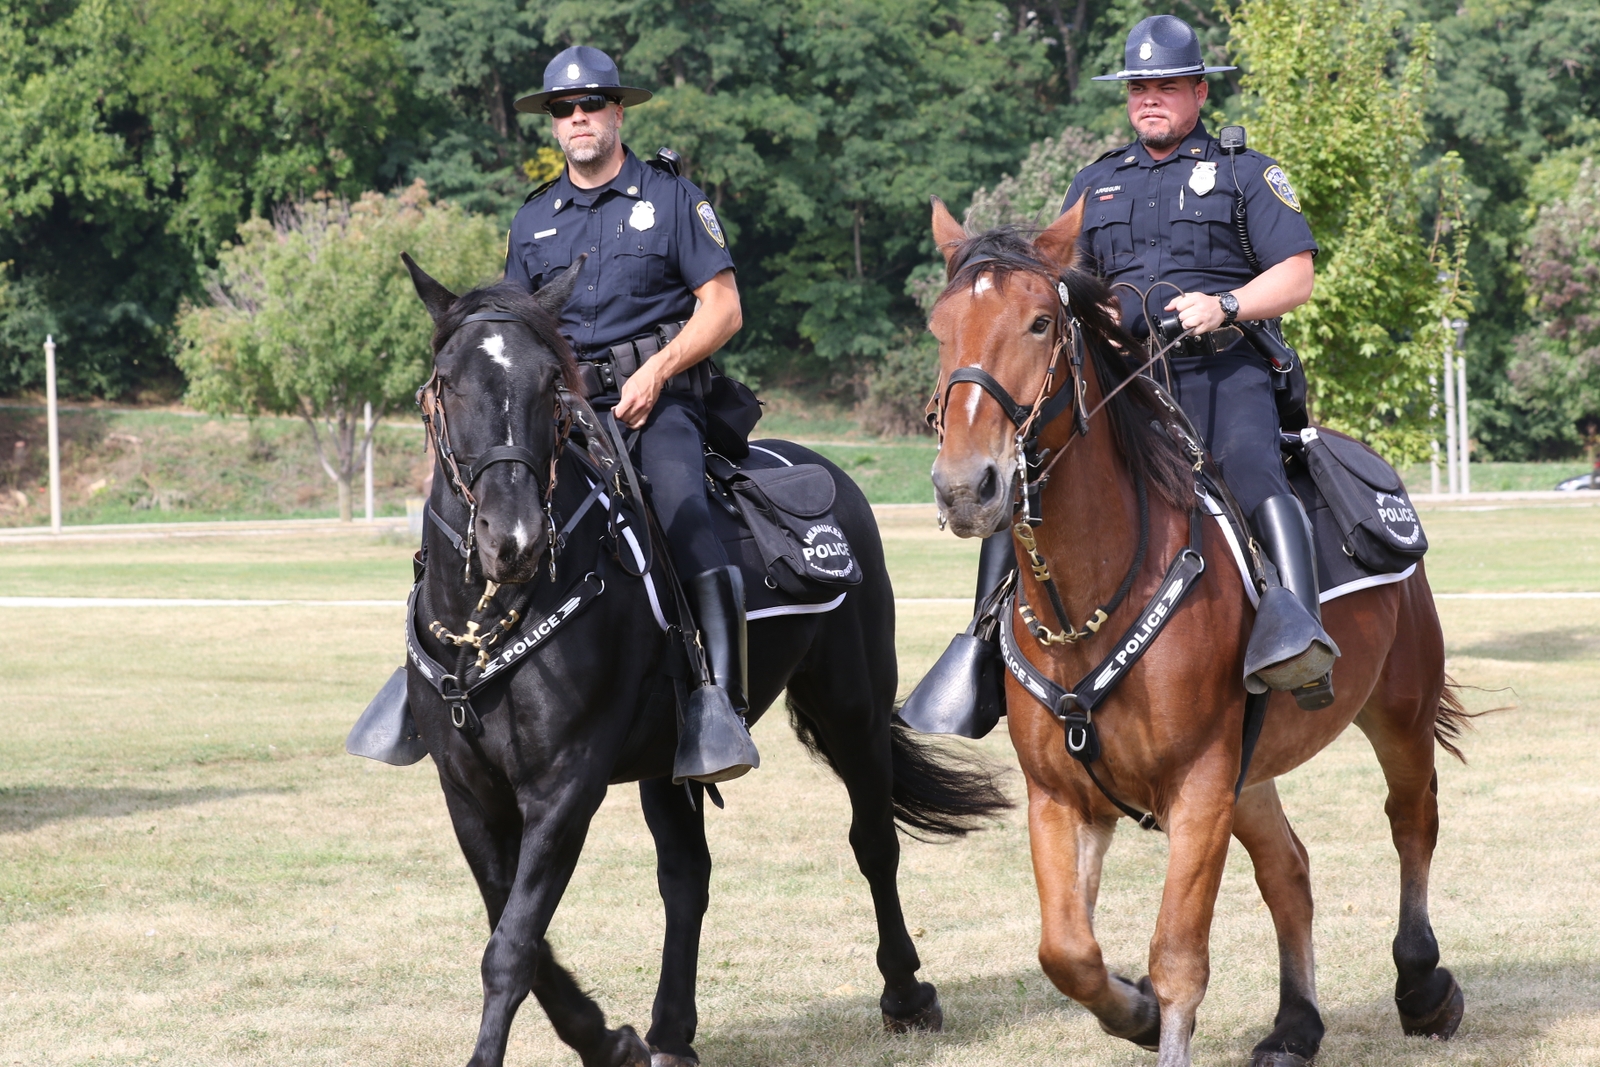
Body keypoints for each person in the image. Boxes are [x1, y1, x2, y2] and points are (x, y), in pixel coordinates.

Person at [923, 14, 1337, 733]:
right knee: (1027, 478)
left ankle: (1295, 633)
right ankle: (983, 646)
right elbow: (1050, 282)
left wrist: (1228, 303)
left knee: (1251, 472)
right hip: (1124, 379)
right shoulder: (1096, 181)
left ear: (1199, 92)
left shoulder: (1246, 171)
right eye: (1139, 86)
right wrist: (1092, 314)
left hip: (1220, 368)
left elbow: (1297, 275)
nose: (1151, 97)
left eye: (1167, 85)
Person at [506, 45, 758, 782]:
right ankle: (434, 671)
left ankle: (721, 703)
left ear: (619, 112)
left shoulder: (674, 200)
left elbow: (724, 308)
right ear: (554, 125)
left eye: (591, 105)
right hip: (566, 414)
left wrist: (658, 367)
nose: (578, 119)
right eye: (564, 109)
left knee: (682, 509)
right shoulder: (532, 222)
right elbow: (519, 334)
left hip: (658, 404)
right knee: (486, 501)